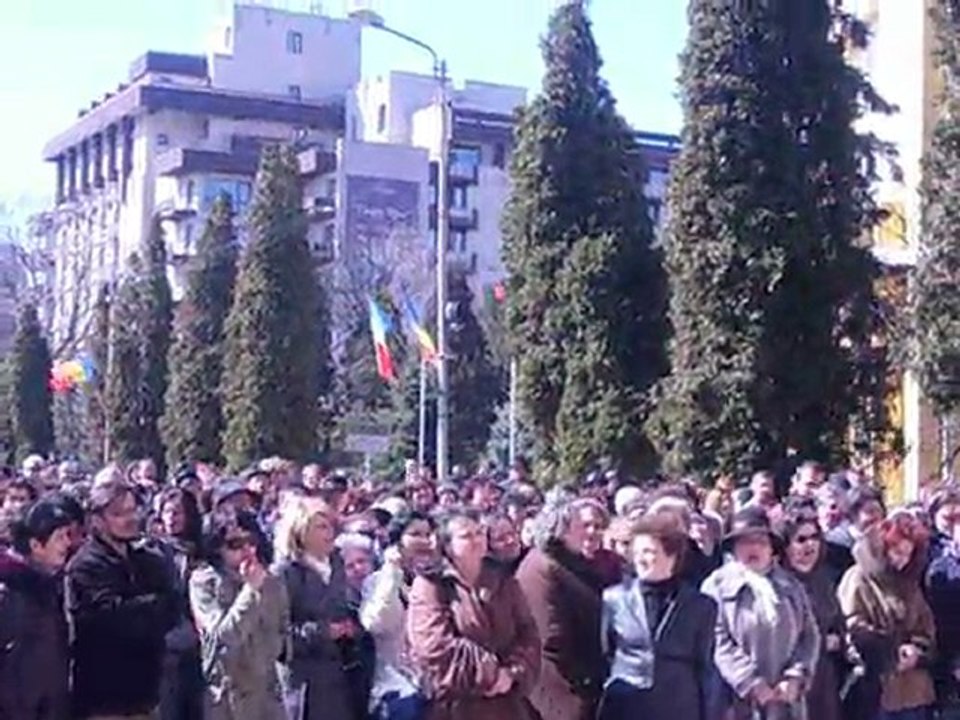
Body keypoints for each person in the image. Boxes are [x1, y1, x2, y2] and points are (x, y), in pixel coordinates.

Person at [407, 507, 541, 720]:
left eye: (479, 533)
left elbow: (528, 632)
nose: (477, 540)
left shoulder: (502, 578)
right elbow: (433, 646)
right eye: (466, 536)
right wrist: (491, 674)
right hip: (458, 707)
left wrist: (513, 672)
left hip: (509, 705)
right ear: (447, 545)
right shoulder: (431, 585)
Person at [66, 480, 178, 720]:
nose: (130, 519)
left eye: (132, 510)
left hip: (147, 697)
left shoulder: (148, 561)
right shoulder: (85, 566)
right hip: (105, 703)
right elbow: (112, 620)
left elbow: (172, 608)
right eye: (119, 514)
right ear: (97, 520)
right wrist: (150, 605)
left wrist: (142, 606)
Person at [701, 506, 820, 720]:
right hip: (735, 700)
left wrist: (795, 676)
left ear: (772, 549)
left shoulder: (790, 586)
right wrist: (750, 681)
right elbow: (716, 640)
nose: (754, 548)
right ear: (734, 548)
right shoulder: (716, 586)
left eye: (761, 541)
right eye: (745, 542)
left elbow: (809, 636)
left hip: (786, 701)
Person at [597, 513, 716, 720]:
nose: (640, 559)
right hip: (626, 706)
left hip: (678, 707)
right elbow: (607, 652)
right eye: (637, 552)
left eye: (649, 551)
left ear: (672, 555)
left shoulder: (700, 605)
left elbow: (703, 664)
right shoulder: (614, 599)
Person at [515, 491, 608, 720]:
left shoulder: (567, 564)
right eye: (580, 525)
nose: (587, 532)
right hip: (560, 694)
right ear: (562, 528)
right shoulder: (542, 569)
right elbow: (548, 639)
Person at [189, 508, 288, 720]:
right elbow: (224, 636)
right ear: (217, 547)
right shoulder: (203, 581)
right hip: (228, 696)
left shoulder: (270, 579)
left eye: (251, 541)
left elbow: (280, 629)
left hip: (267, 693)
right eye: (235, 544)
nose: (246, 550)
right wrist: (250, 591)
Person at [839, 512, 936, 720]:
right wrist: (890, 652)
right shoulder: (858, 578)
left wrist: (916, 650)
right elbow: (851, 625)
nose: (902, 560)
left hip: (914, 690)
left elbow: (925, 624)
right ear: (883, 547)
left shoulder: (909, 583)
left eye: (908, 555)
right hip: (877, 689)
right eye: (897, 552)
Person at [275, 497, 361, 720]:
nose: (330, 532)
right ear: (300, 532)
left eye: (331, 525)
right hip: (303, 685)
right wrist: (322, 631)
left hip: (339, 680)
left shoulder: (337, 565)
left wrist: (351, 629)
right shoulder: (284, 573)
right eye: (321, 527)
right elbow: (276, 636)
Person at [0, 499, 73, 720]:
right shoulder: (8, 594)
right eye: (59, 537)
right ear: (35, 545)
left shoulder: (50, 587)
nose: (67, 543)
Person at [360, 510, 437, 720]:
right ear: (397, 541)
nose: (424, 541)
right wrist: (391, 573)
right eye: (415, 534)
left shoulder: (438, 581)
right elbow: (376, 623)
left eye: (428, 534)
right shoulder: (379, 581)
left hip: (434, 683)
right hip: (396, 685)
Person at [776, 509, 844, 720]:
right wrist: (821, 642)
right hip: (786, 681)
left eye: (815, 537)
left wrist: (840, 638)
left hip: (823, 680)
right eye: (801, 539)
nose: (810, 545)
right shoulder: (776, 584)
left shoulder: (823, 580)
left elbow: (838, 623)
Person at [155, 488, 205, 720]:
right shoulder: (154, 551)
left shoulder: (203, 551)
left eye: (177, 512)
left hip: (200, 646)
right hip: (169, 645)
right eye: (167, 512)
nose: (171, 518)